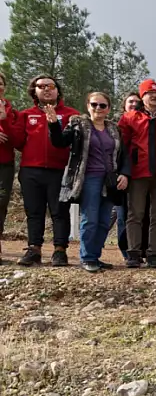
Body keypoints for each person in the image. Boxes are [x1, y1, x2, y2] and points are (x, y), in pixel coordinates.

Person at [47, 92, 130, 273]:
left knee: (103, 222)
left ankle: (95, 256)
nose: (98, 109)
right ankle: (87, 257)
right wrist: (53, 124)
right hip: (89, 178)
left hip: (110, 180)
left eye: (102, 105)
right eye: (94, 105)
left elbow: (123, 155)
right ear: (88, 106)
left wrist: (124, 174)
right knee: (90, 219)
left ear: (108, 108)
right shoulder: (78, 125)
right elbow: (59, 142)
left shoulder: (114, 129)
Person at [9, 75, 80, 266]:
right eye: (41, 86)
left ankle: (60, 250)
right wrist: (5, 120)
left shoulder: (71, 114)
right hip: (31, 170)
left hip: (59, 171)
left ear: (58, 90)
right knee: (34, 211)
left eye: (51, 86)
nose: (46, 89)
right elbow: (17, 142)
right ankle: (34, 249)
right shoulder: (26, 115)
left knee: (59, 212)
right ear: (35, 91)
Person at [117, 79, 156, 268]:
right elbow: (122, 147)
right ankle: (133, 253)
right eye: (149, 94)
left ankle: (153, 253)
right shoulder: (129, 118)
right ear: (141, 97)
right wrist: (123, 172)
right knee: (135, 213)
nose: (153, 97)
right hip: (137, 172)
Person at [115, 93, 148, 261]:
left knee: (140, 214)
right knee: (123, 215)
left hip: (140, 175)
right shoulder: (117, 126)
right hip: (121, 175)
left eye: (137, 101)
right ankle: (126, 250)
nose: (134, 104)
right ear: (124, 105)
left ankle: (138, 249)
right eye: (131, 101)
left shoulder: (143, 124)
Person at [0, 73, 18, 262]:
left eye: (1, 83)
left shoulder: (11, 110)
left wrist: (4, 119)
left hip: (4, 163)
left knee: (1, 203)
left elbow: (16, 139)